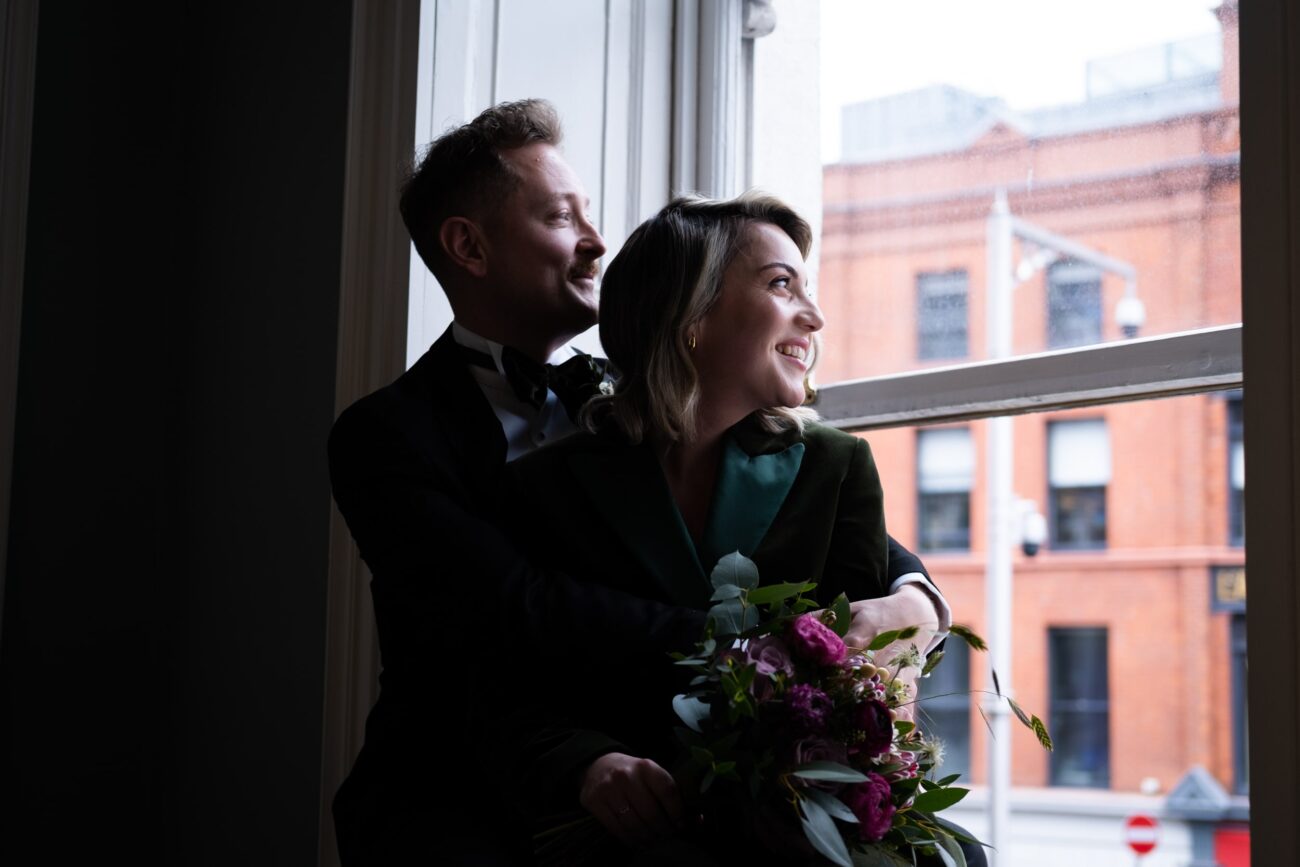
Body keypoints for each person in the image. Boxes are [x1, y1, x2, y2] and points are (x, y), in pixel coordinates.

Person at [327, 99, 948, 865]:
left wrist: (918, 597)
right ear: (470, 247)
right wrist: (780, 653)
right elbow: (520, 607)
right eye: (562, 219)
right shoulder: (388, 434)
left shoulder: (649, 398)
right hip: (455, 779)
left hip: (662, 765)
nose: (597, 242)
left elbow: (812, 519)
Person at [504, 193, 983, 865]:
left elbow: (870, 687)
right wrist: (588, 763)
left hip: (792, 828)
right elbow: (506, 687)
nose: (813, 317)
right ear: (691, 314)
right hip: (618, 833)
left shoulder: (835, 469)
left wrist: (918, 608)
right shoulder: (549, 485)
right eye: (782, 285)